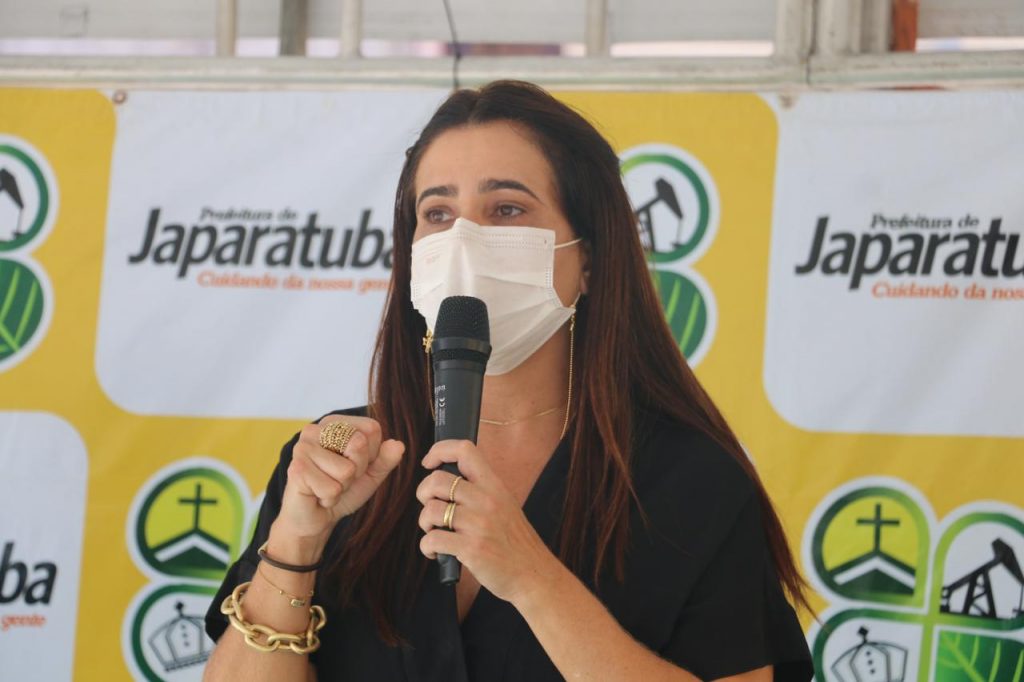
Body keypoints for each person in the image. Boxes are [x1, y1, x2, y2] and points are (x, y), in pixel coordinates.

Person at [204, 80, 813, 682]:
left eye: (507, 209)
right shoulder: (342, 460)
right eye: (437, 213)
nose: (463, 241)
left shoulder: (690, 481)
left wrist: (530, 577)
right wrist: (297, 540)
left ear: (589, 258)